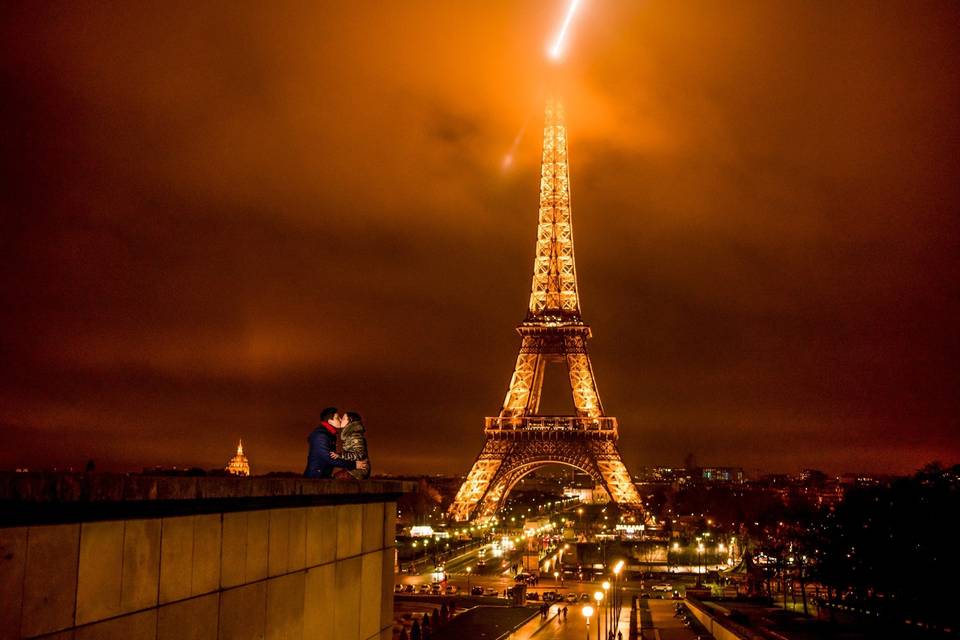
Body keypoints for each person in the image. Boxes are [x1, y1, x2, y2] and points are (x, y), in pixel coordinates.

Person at [303, 408, 368, 478]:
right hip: (315, 477)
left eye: (342, 418)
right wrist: (354, 465)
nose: (340, 420)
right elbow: (329, 458)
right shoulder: (321, 436)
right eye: (337, 418)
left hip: (322, 475)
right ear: (330, 421)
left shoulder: (330, 434)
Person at [330, 411, 370, 479]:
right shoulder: (351, 435)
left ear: (350, 420)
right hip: (353, 469)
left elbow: (359, 454)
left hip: (358, 471)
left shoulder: (355, 435)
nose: (341, 420)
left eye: (343, 418)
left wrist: (340, 455)